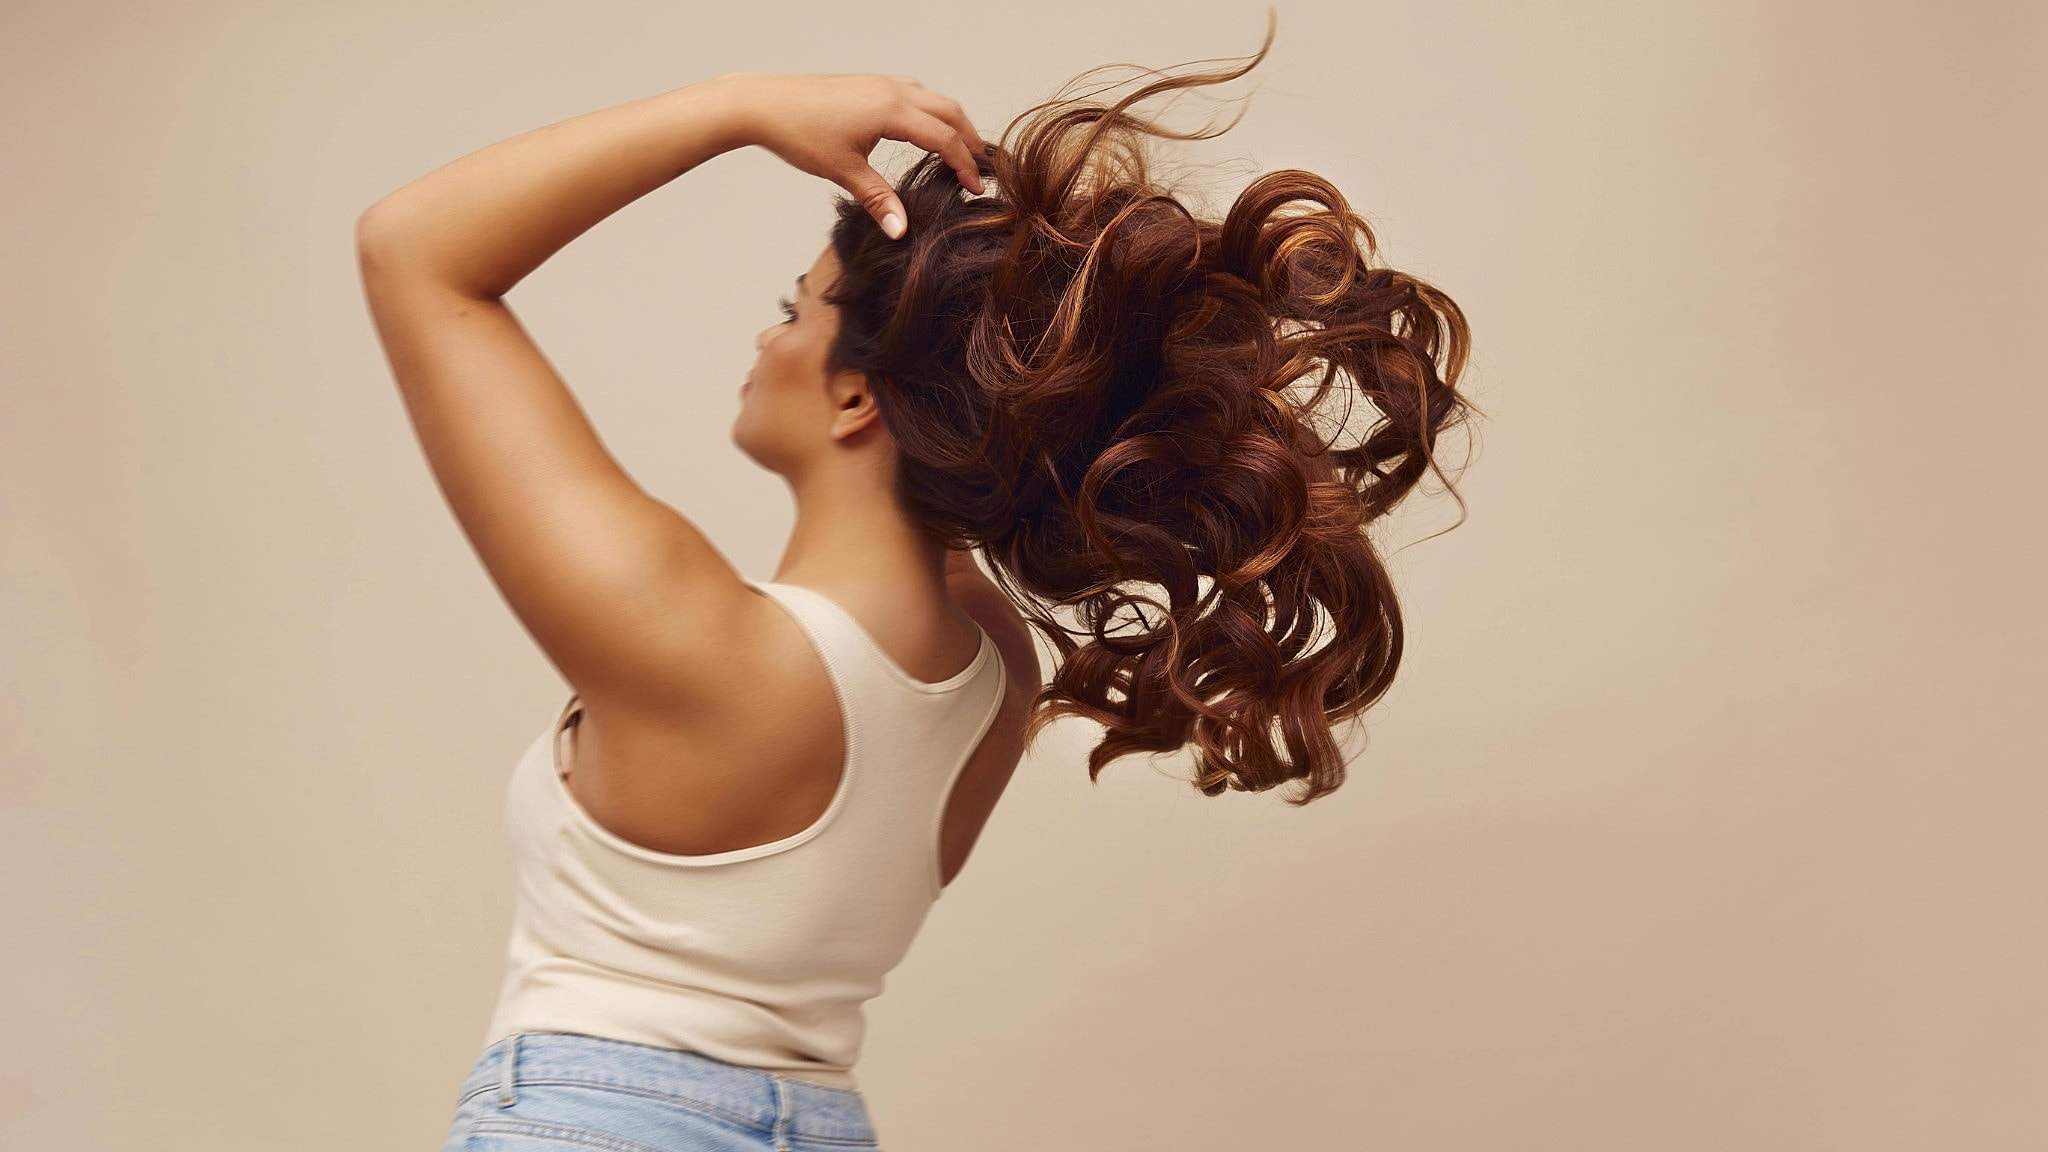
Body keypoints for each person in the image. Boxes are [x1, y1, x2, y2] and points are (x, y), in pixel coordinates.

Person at [358, 14, 1476, 1150]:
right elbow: (973, 459)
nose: (766, 336)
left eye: (794, 311)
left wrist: (735, 106)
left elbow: (414, 252)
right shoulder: (986, 672)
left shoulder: (702, 647)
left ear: (857, 397)